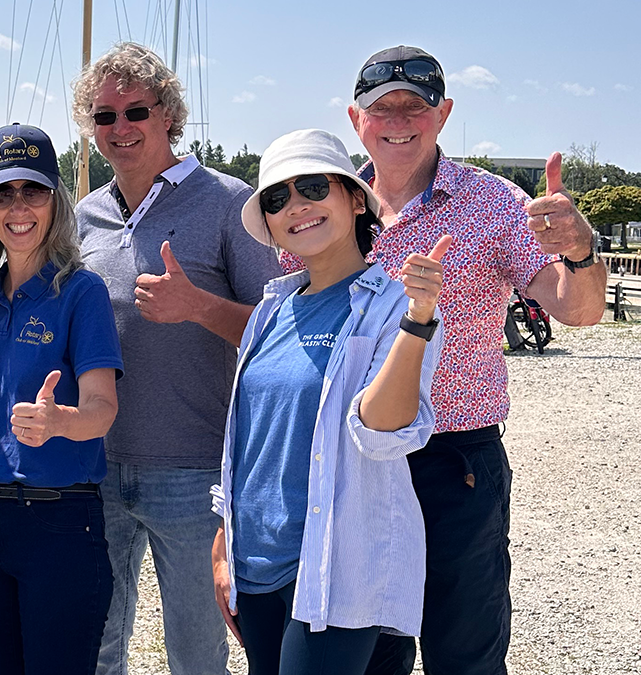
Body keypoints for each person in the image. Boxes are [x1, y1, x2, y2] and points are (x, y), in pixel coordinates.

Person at [316, 46, 607, 675]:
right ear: (355, 118)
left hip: (456, 460)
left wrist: (580, 251)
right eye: (380, 107)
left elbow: (576, 310)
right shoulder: (328, 206)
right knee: (367, 651)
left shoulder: (493, 201)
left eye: (414, 106)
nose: (398, 119)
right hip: (357, 459)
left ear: (443, 113)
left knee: (464, 651)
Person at [71, 42, 282, 675]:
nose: (121, 128)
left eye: (136, 110)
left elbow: (279, 334)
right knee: (96, 644)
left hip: (195, 473)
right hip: (96, 464)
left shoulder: (228, 203)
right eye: (104, 117)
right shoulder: (83, 217)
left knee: (197, 652)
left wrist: (198, 306)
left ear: (169, 113)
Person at [210, 129, 447, 675]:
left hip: (335, 564)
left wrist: (418, 320)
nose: (296, 206)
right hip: (256, 563)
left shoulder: (392, 305)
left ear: (355, 198)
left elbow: (383, 430)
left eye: (313, 186)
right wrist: (223, 541)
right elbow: (248, 443)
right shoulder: (269, 313)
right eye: (277, 198)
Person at [0, 122, 123, 674]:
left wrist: (59, 421)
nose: (17, 207)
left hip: (58, 525)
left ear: (56, 200)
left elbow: (102, 410)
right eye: (1, 193)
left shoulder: (80, 291)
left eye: (33, 190)